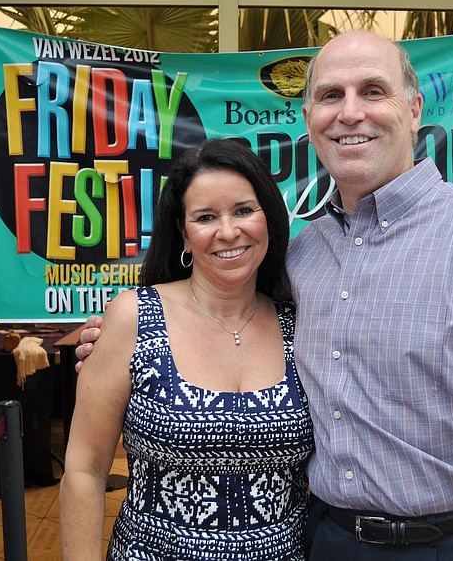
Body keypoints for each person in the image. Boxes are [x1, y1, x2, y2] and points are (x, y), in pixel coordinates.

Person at [77, 32, 453, 560]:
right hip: (326, 541)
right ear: (308, 121)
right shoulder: (302, 257)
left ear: (414, 111)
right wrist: (117, 339)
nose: (350, 113)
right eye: (330, 96)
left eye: (373, 91)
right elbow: (210, 318)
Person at [60, 139, 314, 560]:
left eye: (244, 210)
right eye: (206, 217)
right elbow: (84, 470)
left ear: (269, 216)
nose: (228, 231)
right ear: (183, 231)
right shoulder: (134, 318)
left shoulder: (299, 322)